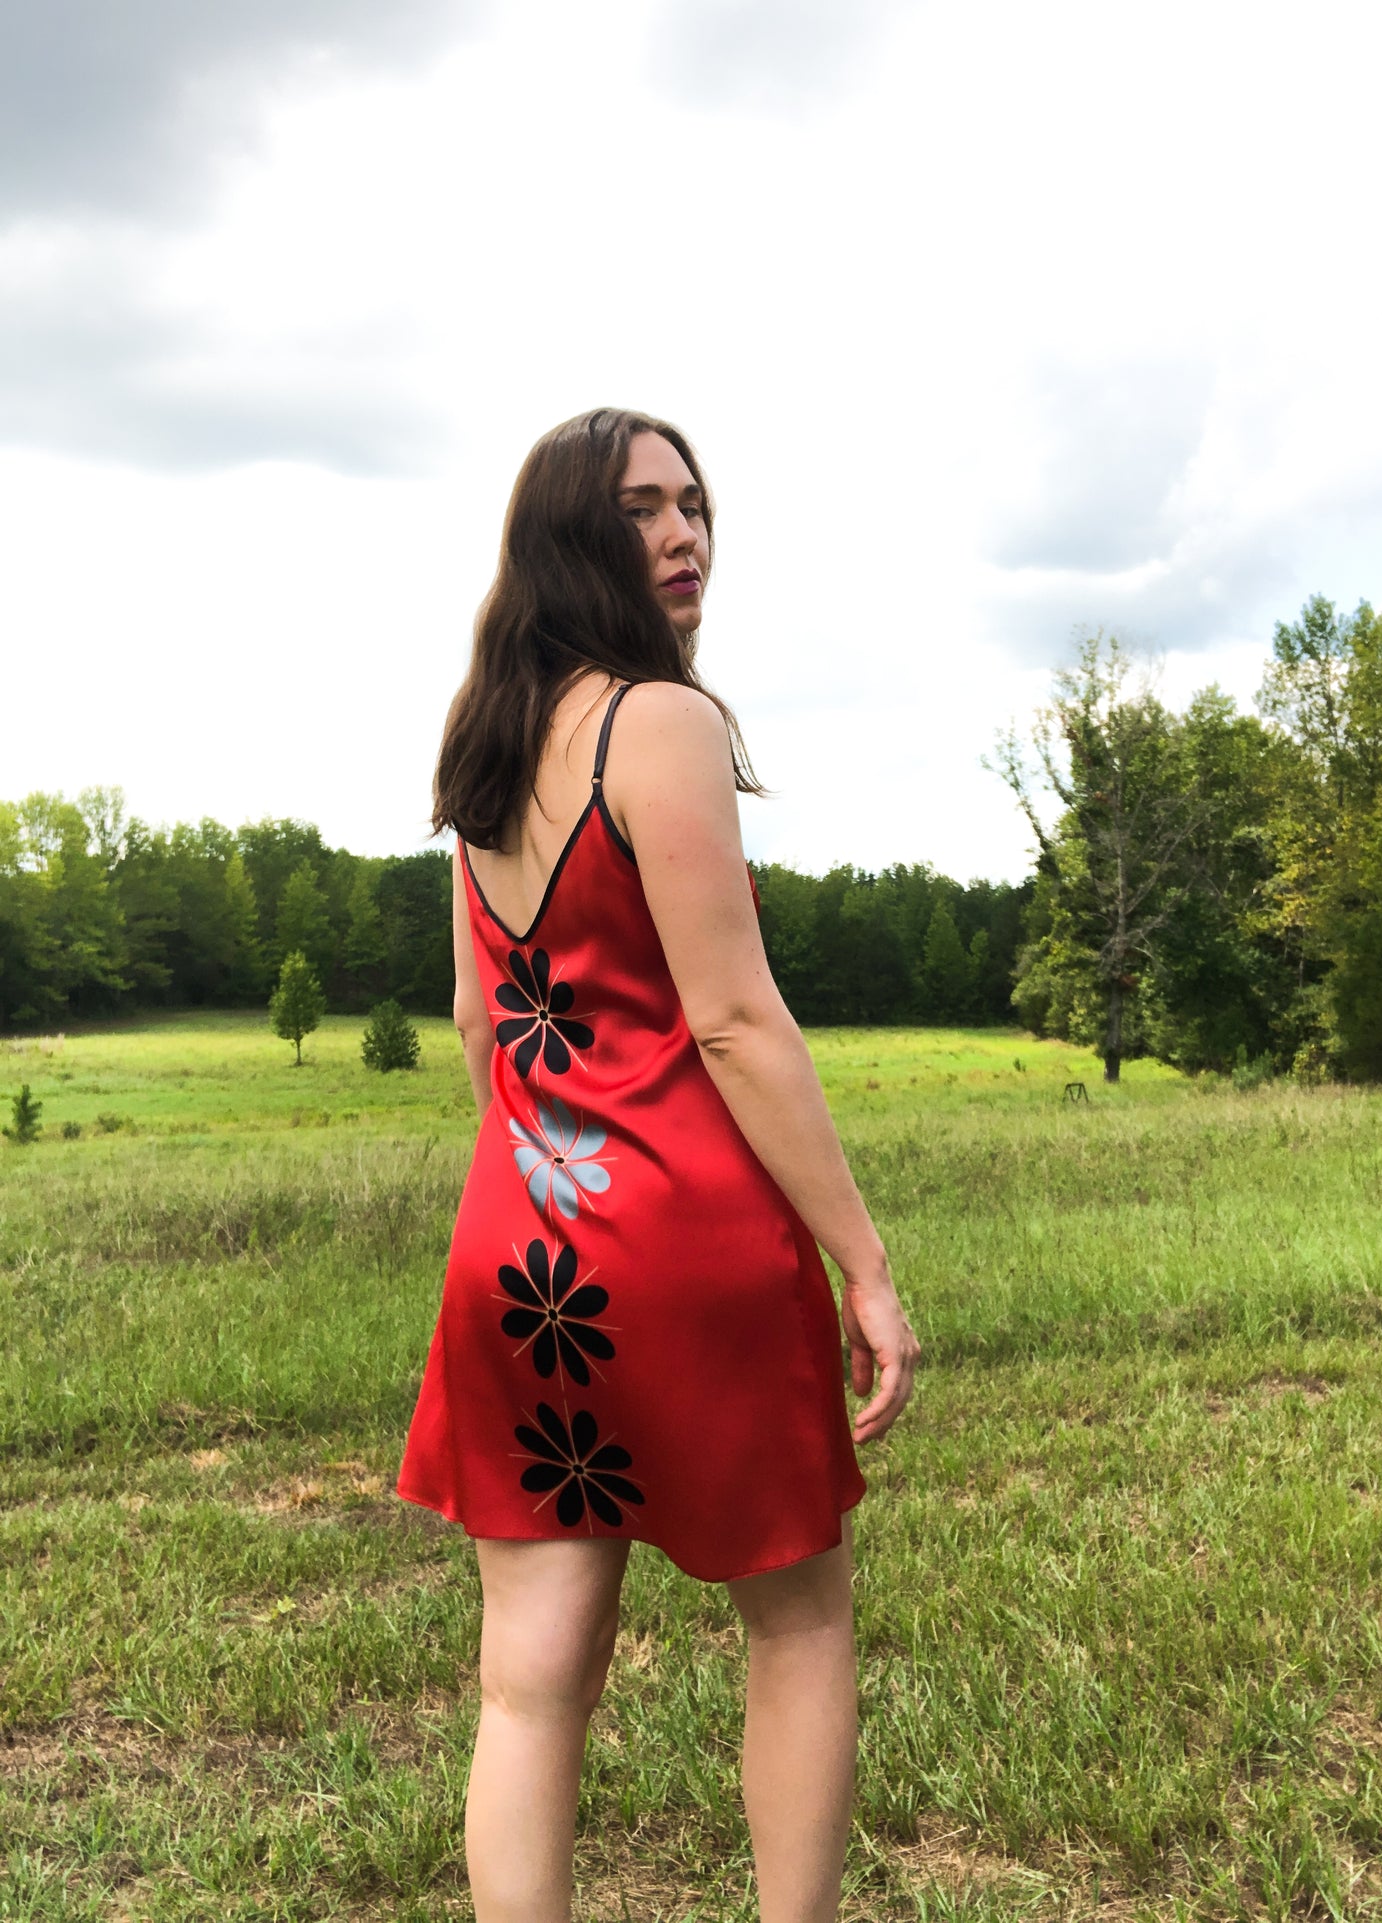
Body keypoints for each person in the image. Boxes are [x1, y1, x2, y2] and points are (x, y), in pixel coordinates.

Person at [396, 407, 921, 1923]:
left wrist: (547, 1175)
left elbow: (479, 1021)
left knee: (529, 1682)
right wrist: (863, 1265)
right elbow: (740, 1023)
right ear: (572, 537)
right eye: (643, 510)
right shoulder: (659, 723)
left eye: (694, 504)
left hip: (519, 1244)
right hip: (683, 1247)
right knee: (797, 1624)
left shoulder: (487, 738)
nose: (685, 536)